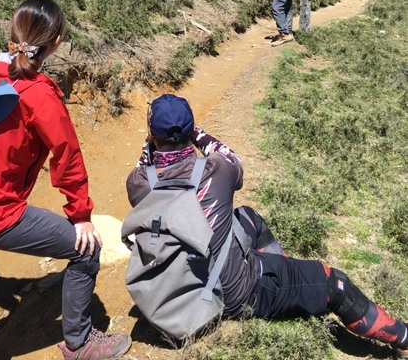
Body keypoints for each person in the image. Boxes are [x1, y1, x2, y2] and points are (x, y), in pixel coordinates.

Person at [0, 0, 131, 360]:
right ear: (58, 40)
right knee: (88, 250)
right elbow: (66, 155)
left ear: (12, 32)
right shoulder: (38, 94)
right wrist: (80, 215)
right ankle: (80, 343)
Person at [126, 93, 408, 358]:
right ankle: (402, 337)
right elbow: (225, 152)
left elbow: (146, 164)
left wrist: (152, 141)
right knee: (335, 283)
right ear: (190, 134)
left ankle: (281, 271)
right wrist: (197, 133)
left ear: (152, 136)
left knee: (247, 217)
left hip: (186, 283)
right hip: (237, 293)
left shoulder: (138, 183)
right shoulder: (217, 169)